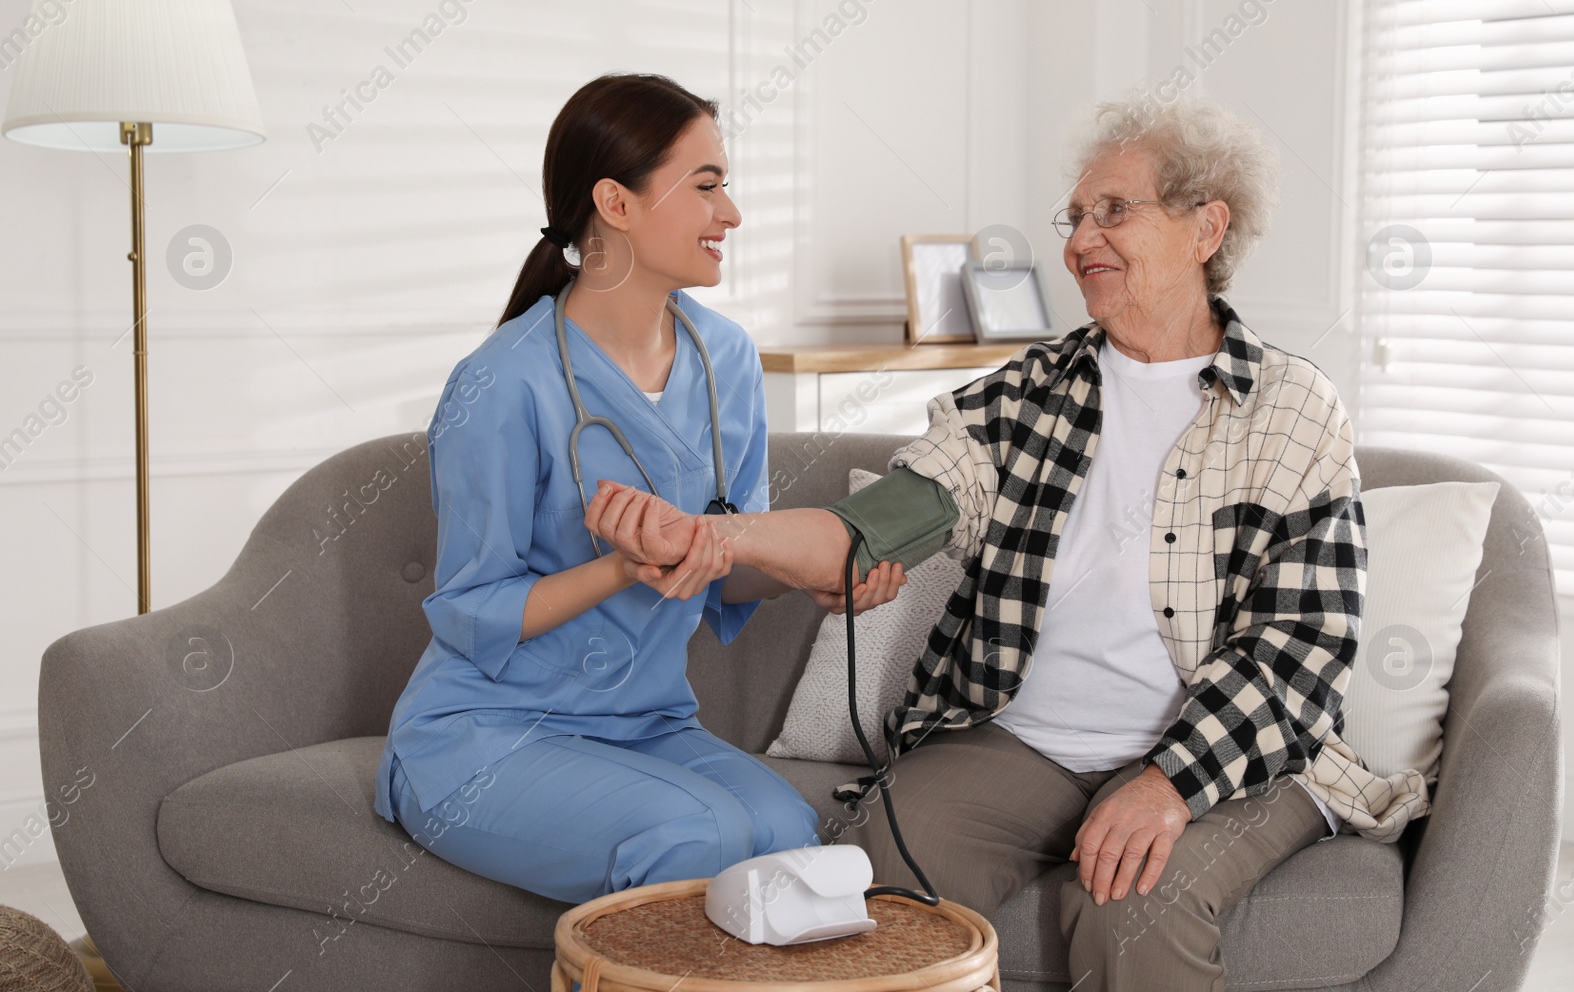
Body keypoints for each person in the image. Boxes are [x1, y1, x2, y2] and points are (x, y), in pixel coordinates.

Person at [586, 88, 1429, 991]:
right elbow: (882, 524)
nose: (1078, 240)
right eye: (1074, 216)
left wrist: (1166, 783)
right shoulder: (1029, 391)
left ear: (1205, 228)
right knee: (887, 885)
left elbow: (1301, 649)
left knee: (1133, 903)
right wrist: (719, 534)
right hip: (1028, 739)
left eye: (1115, 211)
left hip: (1231, 757)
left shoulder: (1293, 410)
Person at [372, 72, 905, 906]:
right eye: (706, 186)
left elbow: (729, 563)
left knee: (786, 836)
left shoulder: (725, 359)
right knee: (703, 838)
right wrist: (624, 567)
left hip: (646, 724)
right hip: (482, 733)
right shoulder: (500, 383)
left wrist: (814, 575)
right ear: (616, 204)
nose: (730, 213)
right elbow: (474, 610)